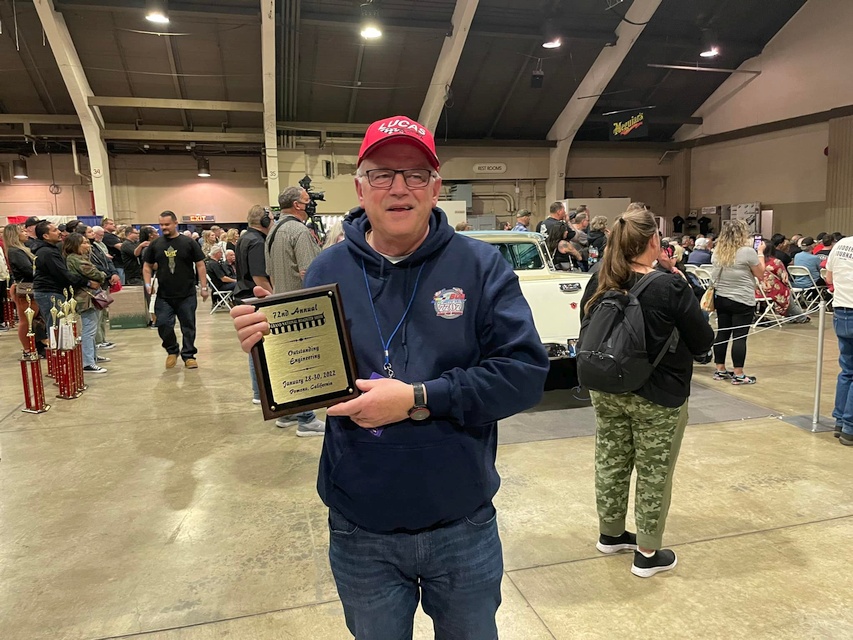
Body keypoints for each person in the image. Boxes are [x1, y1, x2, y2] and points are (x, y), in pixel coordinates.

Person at [230, 115, 549, 638]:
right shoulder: (327, 270)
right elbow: (313, 379)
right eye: (382, 174)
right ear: (360, 187)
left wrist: (419, 397)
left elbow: (524, 374)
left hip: (461, 518)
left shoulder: (480, 266)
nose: (399, 188)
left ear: (435, 187)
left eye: (415, 174)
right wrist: (271, 348)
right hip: (362, 525)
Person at [580, 209, 714, 578]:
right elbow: (702, 340)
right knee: (654, 471)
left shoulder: (600, 278)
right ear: (654, 241)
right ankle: (647, 552)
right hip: (658, 394)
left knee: (611, 460)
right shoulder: (669, 287)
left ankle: (610, 534)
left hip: (606, 388)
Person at [264, 187, 325, 435]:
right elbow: (310, 272)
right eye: (307, 201)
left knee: (289, 362)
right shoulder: (299, 231)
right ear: (298, 205)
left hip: (280, 305)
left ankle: (289, 412)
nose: (311, 205)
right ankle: (306, 419)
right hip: (302, 307)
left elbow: (269, 271)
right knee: (305, 363)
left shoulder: (273, 231)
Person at [143, 211, 208, 369]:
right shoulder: (155, 244)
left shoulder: (189, 242)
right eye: (161, 225)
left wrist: (204, 287)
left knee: (188, 326)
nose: (163, 227)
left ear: (175, 223)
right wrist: (147, 284)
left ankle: (189, 356)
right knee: (163, 324)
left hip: (187, 293)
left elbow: (200, 265)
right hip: (164, 294)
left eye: (167, 224)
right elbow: (147, 266)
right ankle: (172, 350)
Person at [711, 219, 764, 385]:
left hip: (722, 297)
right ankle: (738, 374)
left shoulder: (717, 251)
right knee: (739, 337)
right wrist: (761, 253)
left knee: (722, 333)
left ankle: (720, 369)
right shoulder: (747, 252)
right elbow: (760, 273)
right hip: (742, 299)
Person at [233, 204, 274, 407]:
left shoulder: (244, 238)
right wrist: (273, 299)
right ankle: (259, 391)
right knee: (259, 344)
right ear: (264, 221)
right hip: (254, 296)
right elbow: (259, 277)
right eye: (271, 219)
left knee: (254, 346)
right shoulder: (257, 242)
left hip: (243, 295)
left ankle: (258, 391)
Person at [32, 221, 101, 337]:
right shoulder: (47, 253)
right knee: (56, 327)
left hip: (53, 292)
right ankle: (56, 348)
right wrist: (87, 282)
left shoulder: (51, 250)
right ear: (46, 236)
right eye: (55, 230)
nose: (59, 232)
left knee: (59, 326)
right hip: (49, 292)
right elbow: (63, 275)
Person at [62, 232, 108, 373]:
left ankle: (92, 356)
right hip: (85, 298)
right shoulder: (75, 259)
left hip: (90, 296)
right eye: (84, 243)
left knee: (92, 328)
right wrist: (102, 275)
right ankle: (87, 362)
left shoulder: (79, 258)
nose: (88, 245)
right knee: (89, 330)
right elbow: (95, 273)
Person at [826, 233, 853, 445]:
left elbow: (829, 279)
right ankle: (850, 428)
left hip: (841, 311)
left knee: (847, 370)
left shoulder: (842, 244)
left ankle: (839, 421)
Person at [4, 224, 47, 355]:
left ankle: (37, 345)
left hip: (30, 287)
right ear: (15, 235)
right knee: (26, 320)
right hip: (25, 289)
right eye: (22, 231)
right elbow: (28, 270)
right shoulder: (15, 251)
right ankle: (28, 348)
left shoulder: (21, 249)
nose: (26, 233)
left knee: (35, 318)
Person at [84, 225, 120, 352]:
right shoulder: (85, 251)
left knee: (103, 313)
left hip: (103, 284)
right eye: (89, 232)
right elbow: (94, 266)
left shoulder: (97, 246)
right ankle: (97, 341)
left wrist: (114, 272)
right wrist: (108, 274)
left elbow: (107, 261)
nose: (93, 234)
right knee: (96, 316)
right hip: (95, 285)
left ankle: (102, 339)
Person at [101, 218, 125, 284]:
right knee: (119, 285)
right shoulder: (107, 236)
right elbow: (121, 247)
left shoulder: (112, 236)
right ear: (105, 225)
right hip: (116, 264)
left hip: (119, 264)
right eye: (111, 224)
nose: (114, 225)